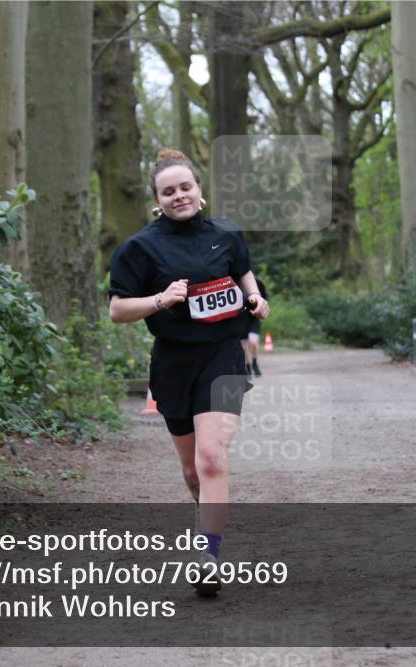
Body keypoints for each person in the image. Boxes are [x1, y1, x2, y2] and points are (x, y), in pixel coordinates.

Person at [107, 148, 269, 595]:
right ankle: (205, 518)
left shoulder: (226, 233)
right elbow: (118, 310)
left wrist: (255, 298)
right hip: (174, 363)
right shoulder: (139, 248)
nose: (179, 195)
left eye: (186, 187)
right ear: (157, 200)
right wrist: (161, 300)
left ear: (200, 191)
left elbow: (244, 273)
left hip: (223, 358)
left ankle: (208, 558)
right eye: (168, 191)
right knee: (193, 471)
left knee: (213, 457)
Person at [241, 276, 269, 377]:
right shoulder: (235, 282)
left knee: (253, 341)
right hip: (240, 318)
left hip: (253, 316)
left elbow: (265, 297)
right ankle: (247, 367)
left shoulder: (257, 282)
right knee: (243, 347)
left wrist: (262, 307)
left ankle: (255, 363)